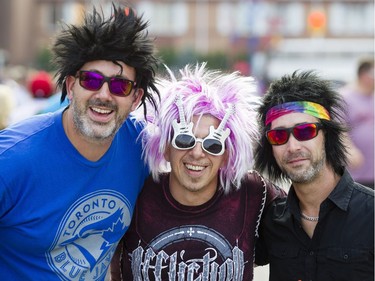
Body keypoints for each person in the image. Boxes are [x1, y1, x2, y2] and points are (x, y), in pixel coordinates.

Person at [0, 3, 159, 280]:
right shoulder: (12, 159)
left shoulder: (143, 146)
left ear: (135, 99)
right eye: (92, 80)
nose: (104, 94)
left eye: (120, 86)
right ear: (71, 86)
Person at [110, 63, 286, 280]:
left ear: (226, 155)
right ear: (165, 147)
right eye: (184, 140)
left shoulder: (253, 194)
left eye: (213, 145)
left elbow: (307, 220)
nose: (196, 153)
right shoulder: (134, 192)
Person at [253, 71, 374, 280]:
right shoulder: (270, 220)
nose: (292, 146)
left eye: (305, 131)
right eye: (278, 136)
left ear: (326, 135)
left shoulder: (371, 215)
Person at [340, 59, 374, 188]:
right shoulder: (344, 97)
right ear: (364, 75)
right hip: (356, 172)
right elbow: (339, 128)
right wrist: (350, 150)